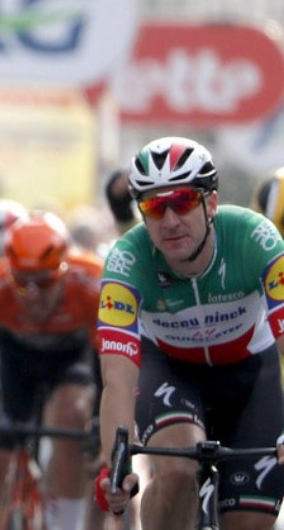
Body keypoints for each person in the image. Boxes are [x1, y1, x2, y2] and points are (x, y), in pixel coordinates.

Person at [95, 137, 284, 530]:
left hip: (251, 376)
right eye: (153, 206)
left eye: (181, 202)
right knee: (178, 468)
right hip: (170, 369)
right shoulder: (126, 261)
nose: (170, 221)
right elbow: (116, 378)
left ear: (210, 202)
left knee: (248, 523)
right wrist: (112, 468)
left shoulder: (256, 239)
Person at [0, 212, 102, 530]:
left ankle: (64, 525)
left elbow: (106, 363)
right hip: (13, 361)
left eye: (44, 283)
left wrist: (99, 421)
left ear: (64, 270)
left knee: (72, 419)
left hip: (71, 359)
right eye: (22, 283)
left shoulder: (94, 281)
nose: (34, 295)